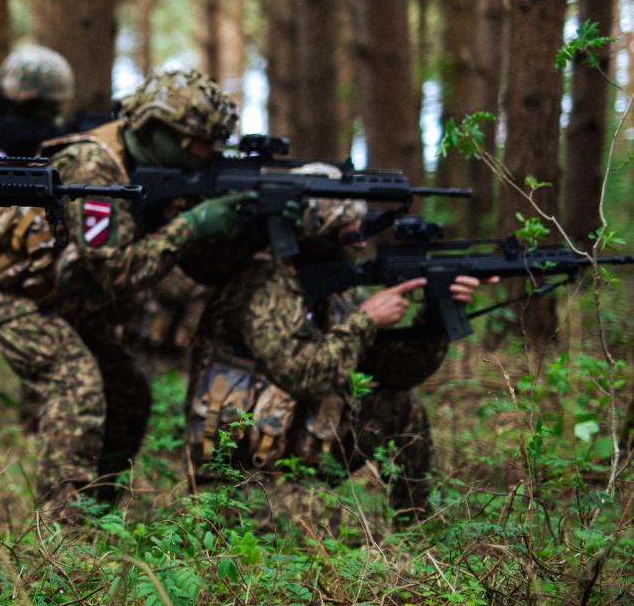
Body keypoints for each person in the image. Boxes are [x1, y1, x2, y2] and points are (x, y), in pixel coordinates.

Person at [0, 69, 253, 515]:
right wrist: (191, 227)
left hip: (67, 293)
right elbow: (115, 271)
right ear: (157, 130)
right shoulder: (93, 167)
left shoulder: (158, 168)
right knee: (75, 384)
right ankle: (61, 526)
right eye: (199, 143)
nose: (207, 154)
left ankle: (99, 511)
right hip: (7, 289)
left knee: (129, 393)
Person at [183, 165, 486, 524]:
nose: (361, 243)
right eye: (351, 232)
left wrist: (437, 312)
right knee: (327, 527)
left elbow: (395, 372)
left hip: (296, 452)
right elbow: (302, 374)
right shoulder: (264, 285)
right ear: (318, 232)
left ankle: (417, 527)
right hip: (237, 479)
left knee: (401, 407)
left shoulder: (332, 290)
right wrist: (365, 321)